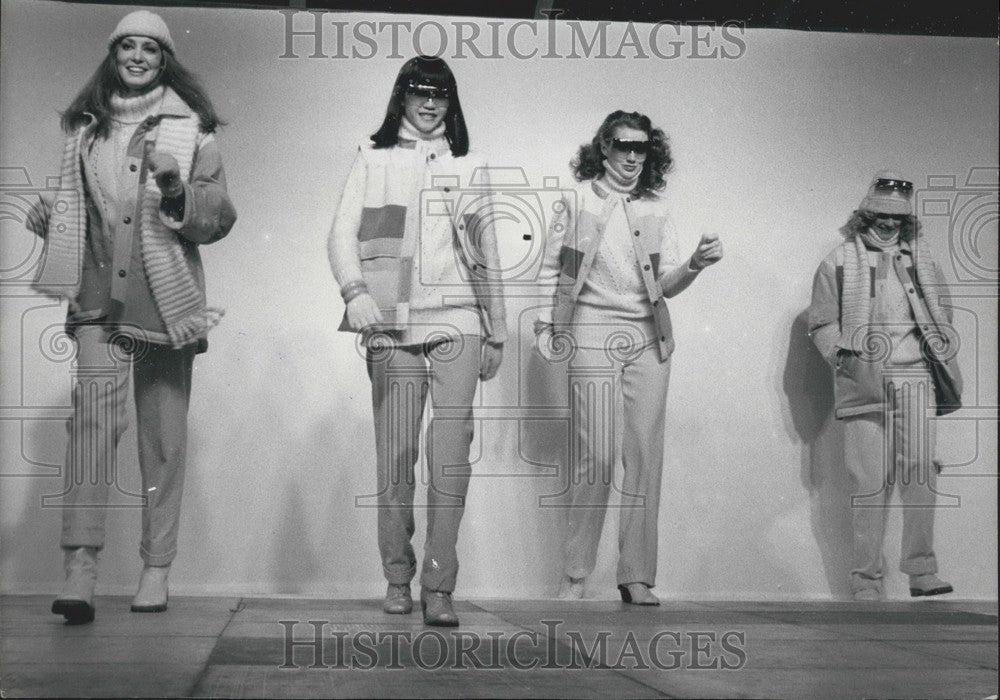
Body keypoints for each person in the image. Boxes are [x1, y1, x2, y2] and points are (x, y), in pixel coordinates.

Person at [27, 10, 237, 624]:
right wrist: (52, 218)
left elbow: (218, 217)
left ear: (165, 59)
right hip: (97, 300)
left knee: (162, 438)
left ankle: (156, 567)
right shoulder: (85, 130)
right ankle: (80, 572)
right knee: (91, 431)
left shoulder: (192, 130)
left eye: (151, 48)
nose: (140, 56)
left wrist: (178, 193)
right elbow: (80, 210)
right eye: (129, 46)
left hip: (166, 304)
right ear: (113, 54)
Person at [327, 55, 506, 627]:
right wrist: (355, 292)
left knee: (450, 459)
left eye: (441, 95)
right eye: (419, 92)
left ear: (452, 103)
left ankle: (440, 584)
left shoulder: (470, 164)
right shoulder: (372, 155)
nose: (429, 104)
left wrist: (497, 327)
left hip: (460, 321)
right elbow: (339, 235)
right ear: (401, 97)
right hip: (391, 323)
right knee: (396, 457)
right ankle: (397, 576)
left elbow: (486, 251)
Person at [535, 110, 723, 605]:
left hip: (647, 335)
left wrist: (695, 266)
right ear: (605, 148)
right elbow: (550, 267)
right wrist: (545, 325)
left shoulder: (656, 210)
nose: (633, 156)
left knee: (643, 455)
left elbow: (664, 286)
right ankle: (575, 575)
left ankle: (636, 575)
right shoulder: (575, 201)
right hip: (591, 328)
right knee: (595, 455)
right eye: (624, 146)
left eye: (642, 148)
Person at [808, 170, 960, 601]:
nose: (888, 222)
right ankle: (866, 581)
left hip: (916, 379)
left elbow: (941, 312)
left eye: (897, 216)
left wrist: (937, 342)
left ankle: (922, 571)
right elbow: (821, 322)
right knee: (869, 481)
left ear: (907, 220)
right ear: (864, 214)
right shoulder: (838, 260)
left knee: (920, 474)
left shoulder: (922, 262)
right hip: (863, 380)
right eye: (880, 213)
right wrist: (844, 356)